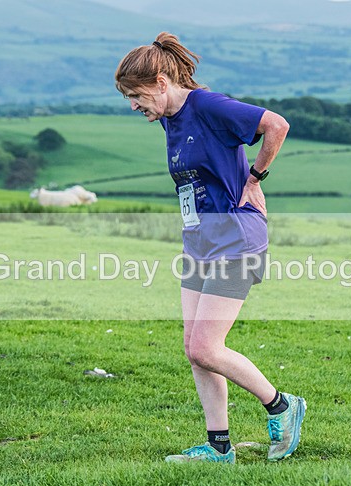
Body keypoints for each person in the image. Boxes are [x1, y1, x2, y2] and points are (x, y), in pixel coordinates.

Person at [115, 32, 306, 464]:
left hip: (236, 238)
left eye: (137, 95)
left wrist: (255, 178)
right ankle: (219, 447)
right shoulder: (169, 117)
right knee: (194, 347)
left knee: (206, 347)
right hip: (200, 240)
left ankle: (282, 405)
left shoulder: (207, 105)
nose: (133, 105)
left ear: (162, 82)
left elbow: (276, 125)